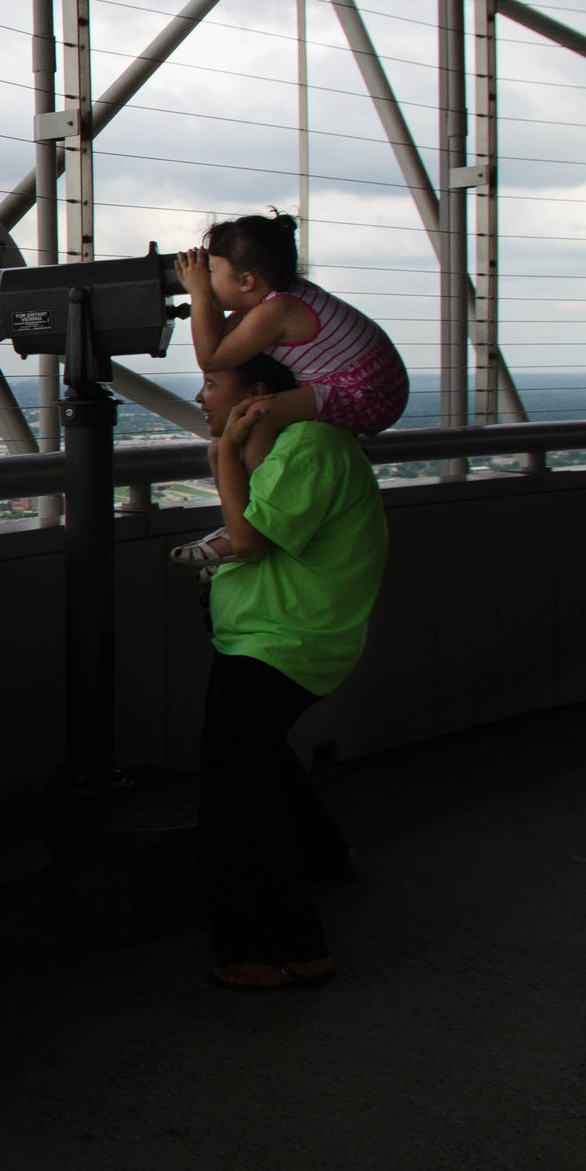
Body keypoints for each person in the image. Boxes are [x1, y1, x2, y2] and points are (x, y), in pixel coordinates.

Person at [192, 351, 388, 990]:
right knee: (256, 759)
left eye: (212, 384)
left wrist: (223, 451)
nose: (200, 395)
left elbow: (246, 540)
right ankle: (326, 856)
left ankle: (281, 949)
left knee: (236, 791)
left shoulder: (309, 447)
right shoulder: (294, 447)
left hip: (281, 642)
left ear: (256, 392)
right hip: (276, 637)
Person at [170, 211, 405, 567]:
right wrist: (205, 297)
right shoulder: (276, 299)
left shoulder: (278, 310)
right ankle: (243, 524)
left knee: (258, 415)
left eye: (212, 273)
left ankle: (259, 518)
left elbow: (213, 357)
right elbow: (223, 343)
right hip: (366, 384)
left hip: (366, 393)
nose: (205, 279)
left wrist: (200, 295)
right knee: (239, 430)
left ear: (246, 280)